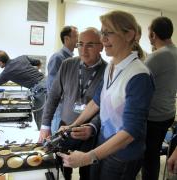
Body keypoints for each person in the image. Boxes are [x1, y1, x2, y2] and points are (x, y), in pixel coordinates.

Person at [58, 10, 154, 180]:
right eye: (102, 33)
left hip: (123, 154)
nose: (103, 39)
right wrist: (73, 125)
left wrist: (88, 157)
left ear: (129, 34)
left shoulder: (139, 76)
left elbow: (130, 132)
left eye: (108, 33)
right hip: (103, 143)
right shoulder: (111, 66)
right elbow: (96, 102)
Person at [38, 27, 107, 180]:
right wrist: (45, 125)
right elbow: (53, 96)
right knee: (62, 170)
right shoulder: (67, 64)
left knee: (87, 173)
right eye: (80, 44)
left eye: (90, 45)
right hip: (65, 129)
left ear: (101, 46)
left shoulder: (108, 71)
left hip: (89, 135)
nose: (83, 50)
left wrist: (92, 127)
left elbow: (106, 109)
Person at [141, 16, 177, 180]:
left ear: (153, 35)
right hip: (168, 114)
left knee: (149, 158)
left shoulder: (157, 56)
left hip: (152, 118)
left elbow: (136, 81)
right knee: (153, 155)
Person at [0, 50, 46, 129]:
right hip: (46, 82)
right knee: (45, 114)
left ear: (0, 62)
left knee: (40, 117)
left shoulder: (7, 72)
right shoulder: (22, 57)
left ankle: (42, 139)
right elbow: (38, 62)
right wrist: (35, 74)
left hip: (41, 89)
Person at [47, 26, 78, 133]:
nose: (78, 40)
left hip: (67, 108)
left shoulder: (72, 59)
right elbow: (52, 87)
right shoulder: (58, 58)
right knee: (57, 139)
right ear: (66, 39)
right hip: (60, 109)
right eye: (76, 37)